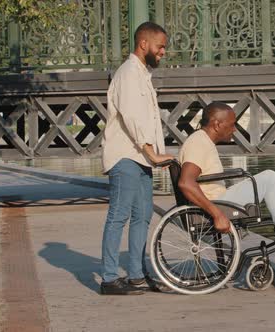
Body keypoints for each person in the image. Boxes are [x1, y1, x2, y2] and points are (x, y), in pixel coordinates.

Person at [178, 102, 275, 266]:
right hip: (217, 205)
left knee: (265, 179)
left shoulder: (201, 140)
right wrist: (217, 214)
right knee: (270, 178)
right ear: (217, 124)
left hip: (219, 199)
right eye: (231, 125)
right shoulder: (199, 142)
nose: (235, 129)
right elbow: (186, 183)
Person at [100, 22, 174, 295]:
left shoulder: (143, 75)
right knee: (118, 215)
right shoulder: (129, 73)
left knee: (142, 216)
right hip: (126, 156)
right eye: (160, 46)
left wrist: (154, 154)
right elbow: (131, 117)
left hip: (142, 157)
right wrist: (151, 151)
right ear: (144, 44)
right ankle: (108, 279)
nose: (163, 52)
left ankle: (136, 275)